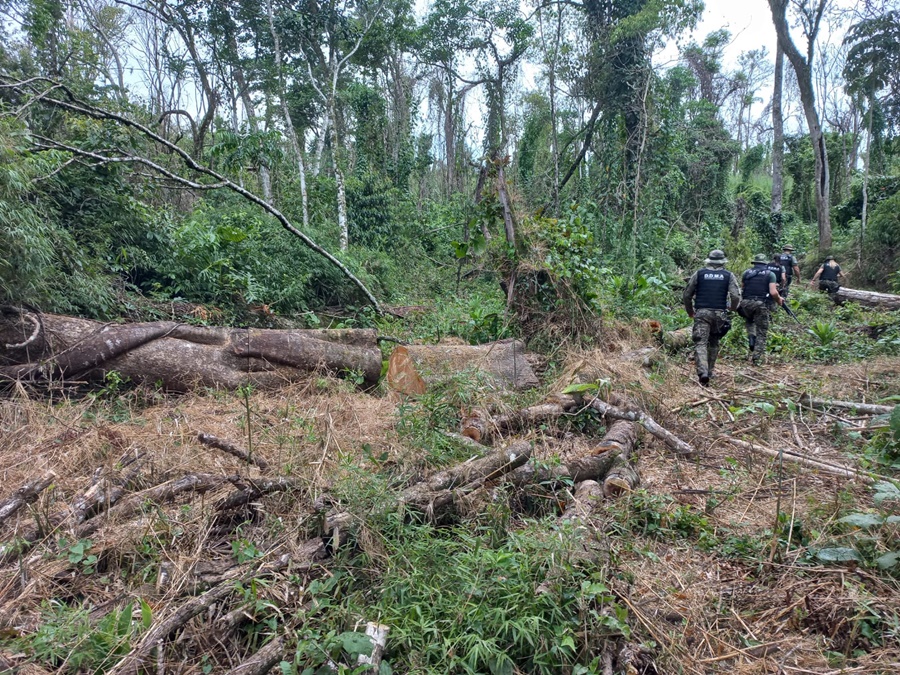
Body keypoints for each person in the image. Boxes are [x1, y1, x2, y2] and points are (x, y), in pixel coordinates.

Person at [683, 249, 741, 386]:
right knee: (714, 342)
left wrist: (690, 311)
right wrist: (732, 308)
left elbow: (687, 295)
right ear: (723, 262)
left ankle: (702, 372)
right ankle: (710, 372)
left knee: (701, 342)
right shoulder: (728, 275)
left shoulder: (699, 274)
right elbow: (736, 296)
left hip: (702, 313)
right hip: (719, 314)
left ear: (708, 261)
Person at [739, 254, 784, 366]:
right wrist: (779, 300)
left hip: (745, 303)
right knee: (762, 331)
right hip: (761, 304)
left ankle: (751, 337)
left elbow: (743, 288)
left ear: (754, 263)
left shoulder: (746, 273)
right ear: (765, 263)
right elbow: (773, 292)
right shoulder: (770, 274)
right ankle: (756, 358)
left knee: (749, 321)